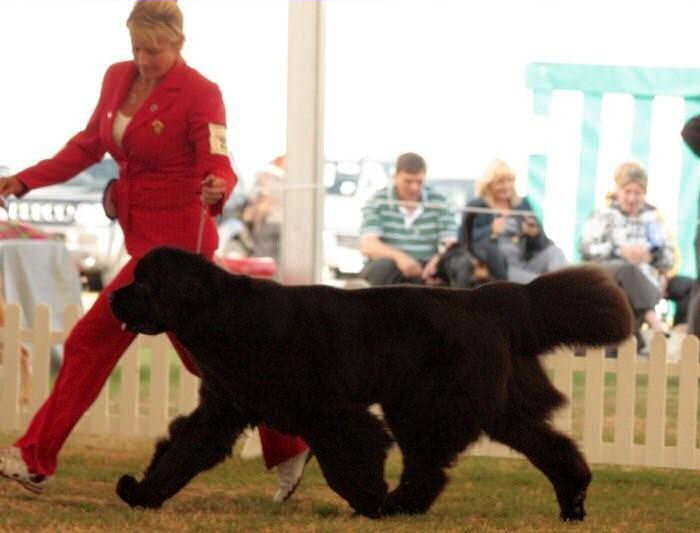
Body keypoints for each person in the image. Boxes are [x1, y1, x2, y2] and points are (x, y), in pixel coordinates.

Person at [0, 0, 309, 502]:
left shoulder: (201, 93)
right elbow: (87, 145)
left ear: (178, 43)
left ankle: (36, 459)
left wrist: (217, 187)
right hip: (143, 242)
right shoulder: (118, 77)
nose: (143, 59)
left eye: (155, 50)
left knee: (94, 341)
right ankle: (290, 442)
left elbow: (220, 161)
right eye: (136, 48)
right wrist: (26, 180)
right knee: (211, 361)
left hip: (179, 251)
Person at [580, 161, 694, 350]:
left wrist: (652, 259)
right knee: (628, 271)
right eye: (627, 191)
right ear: (618, 190)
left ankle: (683, 337)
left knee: (690, 287)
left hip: (650, 278)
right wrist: (619, 250)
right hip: (613, 273)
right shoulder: (603, 215)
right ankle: (654, 323)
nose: (632, 198)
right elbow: (586, 249)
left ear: (644, 193)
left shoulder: (653, 218)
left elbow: (670, 257)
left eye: (638, 192)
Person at [460, 159, 567, 284]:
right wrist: (490, 230)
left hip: (525, 262)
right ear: (489, 185)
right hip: (500, 268)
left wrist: (535, 234)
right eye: (500, 182)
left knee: (554, 252)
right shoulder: (478, 207)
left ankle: (564, 285)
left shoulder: (522, 204)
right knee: (539, 285)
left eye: (510, 181)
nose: (506, 186)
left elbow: (542, 244)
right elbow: (465, 241)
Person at [359, 152, 457, 286]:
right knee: (382, 267)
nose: (414, 187)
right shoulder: (378, 201)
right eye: (408, 181)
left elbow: (451, 243)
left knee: (457, 263)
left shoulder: (439, 201)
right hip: (393, 268)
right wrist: (400, 258)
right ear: (395, 177)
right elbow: (368, 245)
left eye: (419, 181)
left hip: (428, 267)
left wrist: (437, 261)